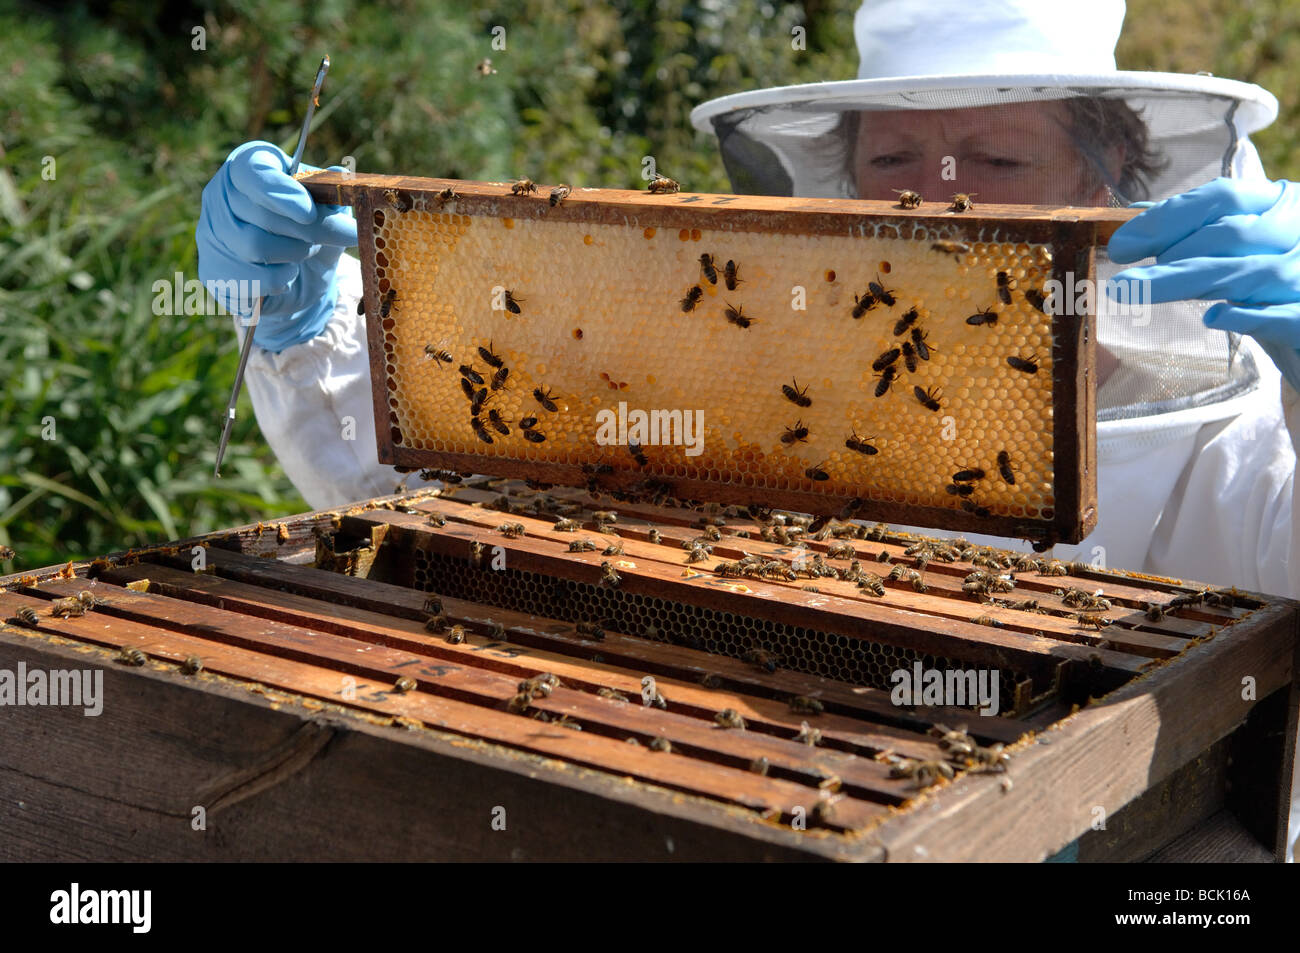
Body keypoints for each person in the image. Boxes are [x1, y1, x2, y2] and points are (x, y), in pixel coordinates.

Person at [198, 0, 1300, 858]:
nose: (938, 199)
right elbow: (468, 523)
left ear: (1111, 183)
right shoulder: (745, 395)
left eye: (1000, 160)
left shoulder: (1215, 431)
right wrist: (305, 327)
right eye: (890, 159)